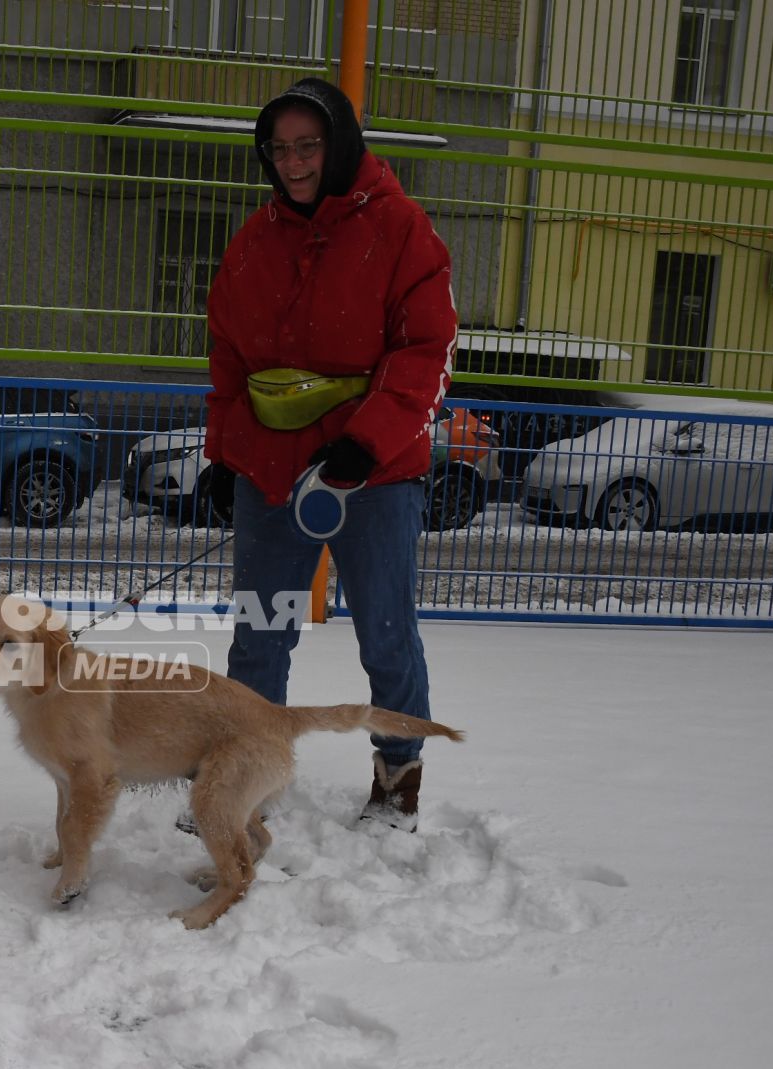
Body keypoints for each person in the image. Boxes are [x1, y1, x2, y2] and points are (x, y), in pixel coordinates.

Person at [202, 76, 458, 831]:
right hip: (272, 475)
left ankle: (397, 778)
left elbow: (426, 351)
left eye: (308, 145)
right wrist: (227, 454)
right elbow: (228, 363)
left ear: (338, 144)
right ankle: (245, 782)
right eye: (279, 149)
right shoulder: (252, 244)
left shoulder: (403, 230)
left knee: (384, 631)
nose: (293, 162)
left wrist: (364, 443)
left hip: (372, 475)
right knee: (259, 633)